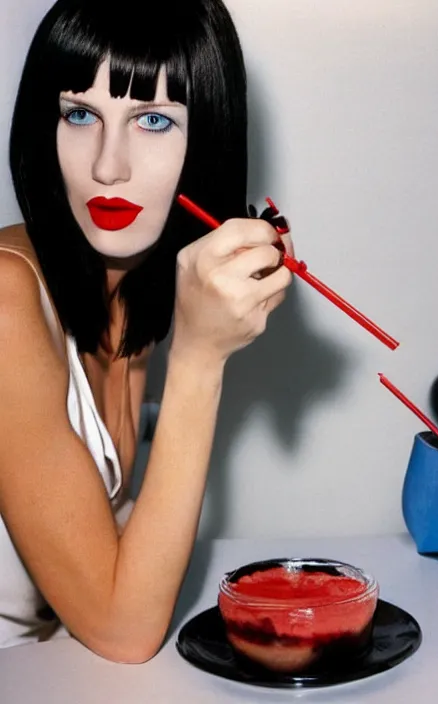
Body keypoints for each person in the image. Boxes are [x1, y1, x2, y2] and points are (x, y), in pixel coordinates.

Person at [0, 0, 293, 659]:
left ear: (208, 140)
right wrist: (199, 357)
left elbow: (114, 552)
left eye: (153, 120)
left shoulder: (126, 288)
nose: (109, 166)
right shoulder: (5, 302)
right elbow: (122, 630)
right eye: (80, 114)